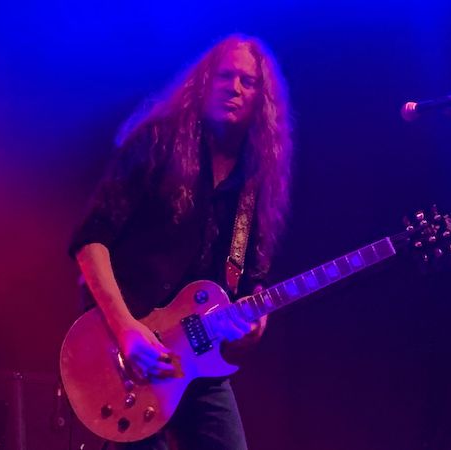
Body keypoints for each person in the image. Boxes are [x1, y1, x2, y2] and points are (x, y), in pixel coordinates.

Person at [69, 34, 293, 450]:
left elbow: (249, 282)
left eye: (248, 81)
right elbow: (90, 239)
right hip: (129, 352)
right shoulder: (158, 142)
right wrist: (126, 330)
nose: (234, 88)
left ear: (261, 99)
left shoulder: (255, 178)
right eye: (225, 76)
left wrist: (255, 323)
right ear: (206, 81)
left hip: (198, 361)